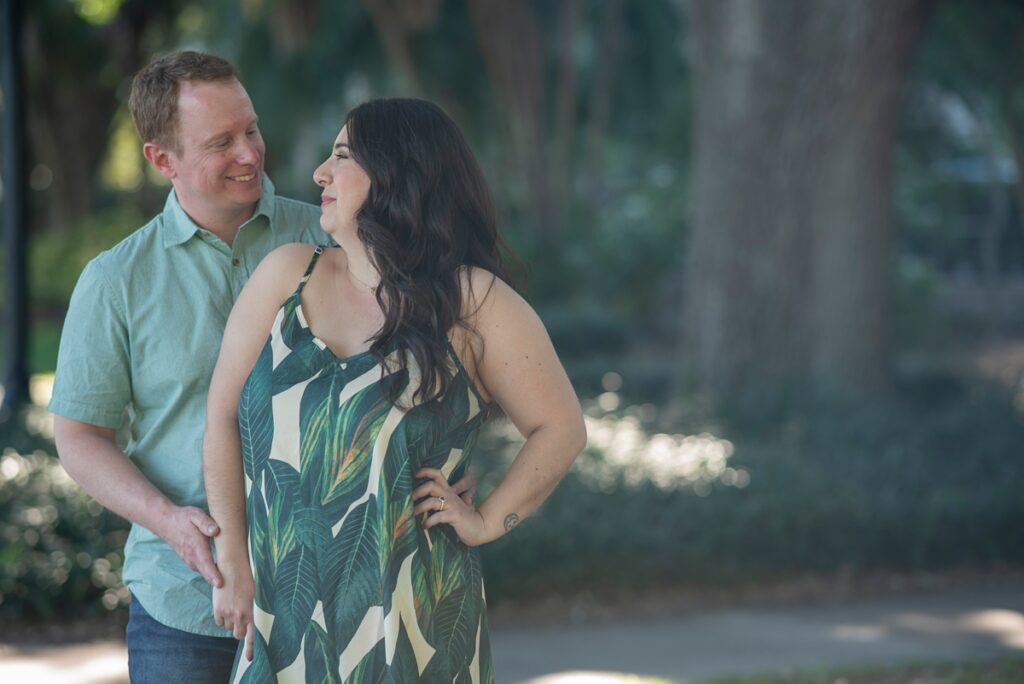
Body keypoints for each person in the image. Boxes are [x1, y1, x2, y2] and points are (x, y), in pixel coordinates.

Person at [46, 54, 476, 683]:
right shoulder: (116, 281)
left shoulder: (340, 231)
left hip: (339, 594)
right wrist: (171, 522)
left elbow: (445, 353)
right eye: (221, 142)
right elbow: (79, 437)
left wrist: (452, 465)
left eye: (250, 129)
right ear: (162, 160)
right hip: (188, 603)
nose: (250, 154)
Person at [203, 97, 587, 682]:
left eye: (341, 156)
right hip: (285, 620)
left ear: (396, 173)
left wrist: (485, 520)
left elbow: (561, 429)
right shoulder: (287, 273)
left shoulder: (472, 301)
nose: (320, 174)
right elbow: (223, 418)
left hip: (416, 622)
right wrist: (233, 560)